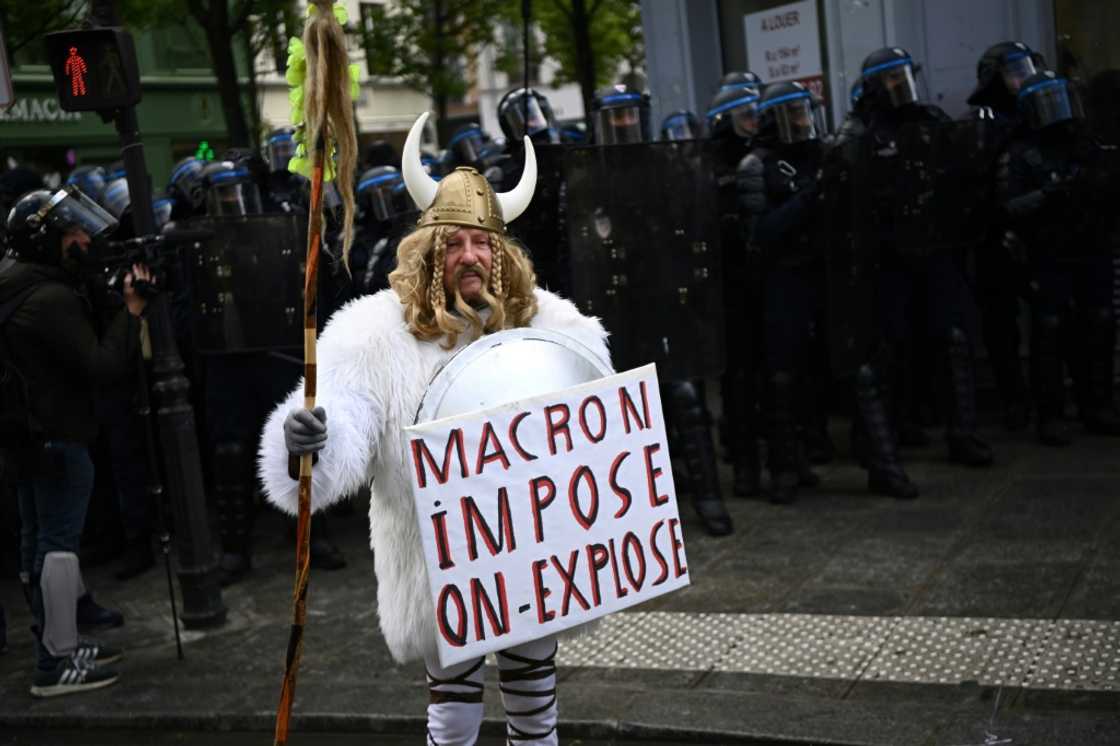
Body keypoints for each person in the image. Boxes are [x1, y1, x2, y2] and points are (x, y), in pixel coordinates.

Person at [259, 112, 602, 745]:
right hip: (437, 563)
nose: (468, 255)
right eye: (452, 243)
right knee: (451, 718)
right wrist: (308, 437)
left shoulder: (554, 324)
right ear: (428, 250)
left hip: (533, 555)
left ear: (500, 253)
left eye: (481, 242)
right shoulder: (375, 334)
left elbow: (594, 426)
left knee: (536, 712)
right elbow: (349, 414)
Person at [0, 185, 148, 696]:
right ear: (47, 241)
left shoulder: (14, 281)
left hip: (26, 436)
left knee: (37, 542)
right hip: (57, 435)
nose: (85, 238)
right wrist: (129, 310)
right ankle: (56, 662)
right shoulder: (49, 298)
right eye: (74, 232)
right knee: (58, 549)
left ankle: (54, 641)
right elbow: (103, 366)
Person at [843, 47, 993, 468]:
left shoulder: (930, 121)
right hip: (889, 257)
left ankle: (963, 433)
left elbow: (960, 177)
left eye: (904, 76)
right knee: (892, 347)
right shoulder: (862, 133)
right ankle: (888, 434)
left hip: (936, 248)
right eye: (892, 78)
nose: (901, 85)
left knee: (955, 339)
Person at [998, 70, 1120, 445]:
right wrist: (1050, 194)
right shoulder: (1021, 155)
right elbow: (1008, 206)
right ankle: (1050, 414)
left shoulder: (1089, 148)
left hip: (1091, 247)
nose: (1060, 113)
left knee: (1099, 323)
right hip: (1048, 253)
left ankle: (1097, 405)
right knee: (1049, 330)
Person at [966, 41, 1041, 430]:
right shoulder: (983, 120)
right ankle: (1015, 399)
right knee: (1001, 323)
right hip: (995, 232)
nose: (1023, 78)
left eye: (1026, 69)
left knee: (1053, 317)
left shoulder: (1042, 111)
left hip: (1043, 228)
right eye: (1014, 72)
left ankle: (1052, 401)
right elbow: (977, 179)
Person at [707, 72, 765, 498]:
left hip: (767, 279)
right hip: (731, 287)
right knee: (740, 379)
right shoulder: (709, 165)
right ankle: (745, 463)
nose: (753, 122)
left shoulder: (765, 154)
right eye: (745, 115)